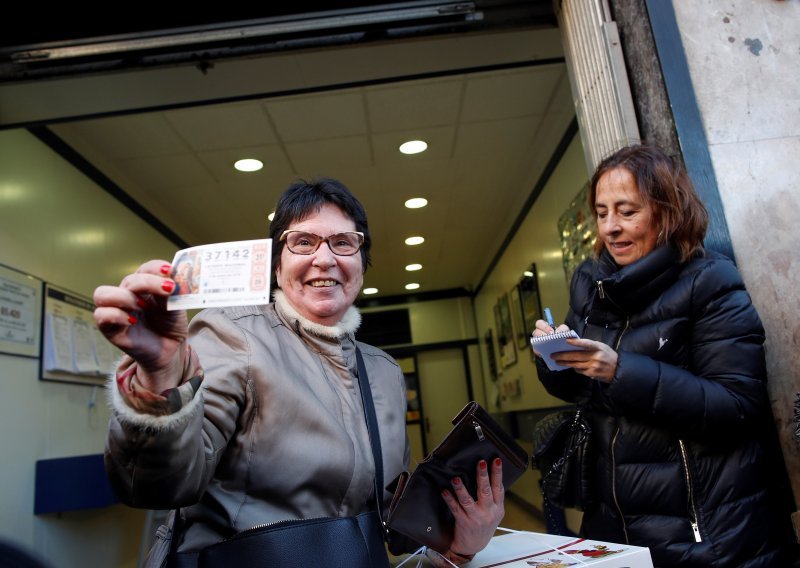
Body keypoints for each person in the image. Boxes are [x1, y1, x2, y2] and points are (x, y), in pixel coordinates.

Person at [94, 178, 505, 567]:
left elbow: (392, 526)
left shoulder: (383, 370)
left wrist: (458, 545)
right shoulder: (231, 333)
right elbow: (156, 486)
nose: (324, 258)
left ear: (362, 265)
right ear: (276, 266)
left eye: (343, 243)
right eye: (302, 242)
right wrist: (159, 378)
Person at [531, 144, 799, 566]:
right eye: (602, 213)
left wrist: (620, 371)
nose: (610, 228)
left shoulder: (710, 282)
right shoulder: (591, 286)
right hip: (616, 533)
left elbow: (737, 407)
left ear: (667, 211)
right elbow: (579, 391)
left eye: (627, 211)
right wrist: (553, 356)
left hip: (706, 535)